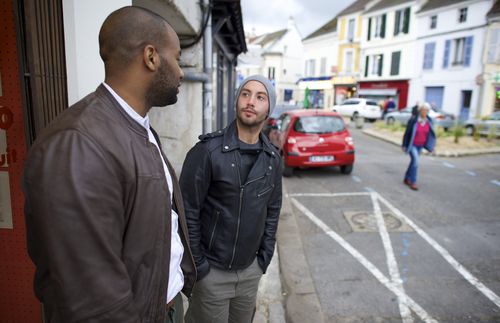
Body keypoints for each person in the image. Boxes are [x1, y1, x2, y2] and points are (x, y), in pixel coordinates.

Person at [22, 6, 196, 323]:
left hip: (164, 308)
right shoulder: (77, 144)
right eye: (178, 58)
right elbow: (90, 302)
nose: (182, 71)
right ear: (151, 57)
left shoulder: (139, 129)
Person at [180, 75, 283, 323]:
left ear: (269, 109)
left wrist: (263, 259)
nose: (251, 102)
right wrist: (200, 266)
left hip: (250, 273)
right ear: (237, 100)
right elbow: (186, 211)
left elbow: (272, 210)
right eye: (245, 94)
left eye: (260, 97)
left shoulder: (272, 160)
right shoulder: (207, 152)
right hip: (212, 273)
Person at [402, 102, 436, 191]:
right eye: (423, 110)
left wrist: (431, 146)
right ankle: (413, 182)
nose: (424, 112)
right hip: (412, 145)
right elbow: (407, 133)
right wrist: (404, 144)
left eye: (426, 110)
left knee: (413, 162)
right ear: (420, 111)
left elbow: (431, 135)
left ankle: (406, 178)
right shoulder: (413, 120)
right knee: (416, 162)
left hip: (421, 145)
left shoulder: (429, 121)